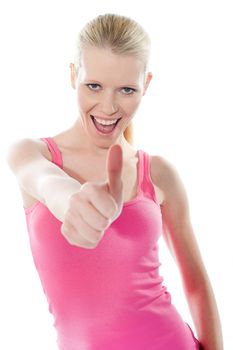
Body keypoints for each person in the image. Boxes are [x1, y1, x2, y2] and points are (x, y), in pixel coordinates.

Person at [7, 13, 223, 350]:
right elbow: (47, 183)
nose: (108, 106)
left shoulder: (159, 174)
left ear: (146, 85)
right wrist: (71, 201)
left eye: (126, 89)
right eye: (94, 85)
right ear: (73, 75)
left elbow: (195, 282)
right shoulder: (33, 155)